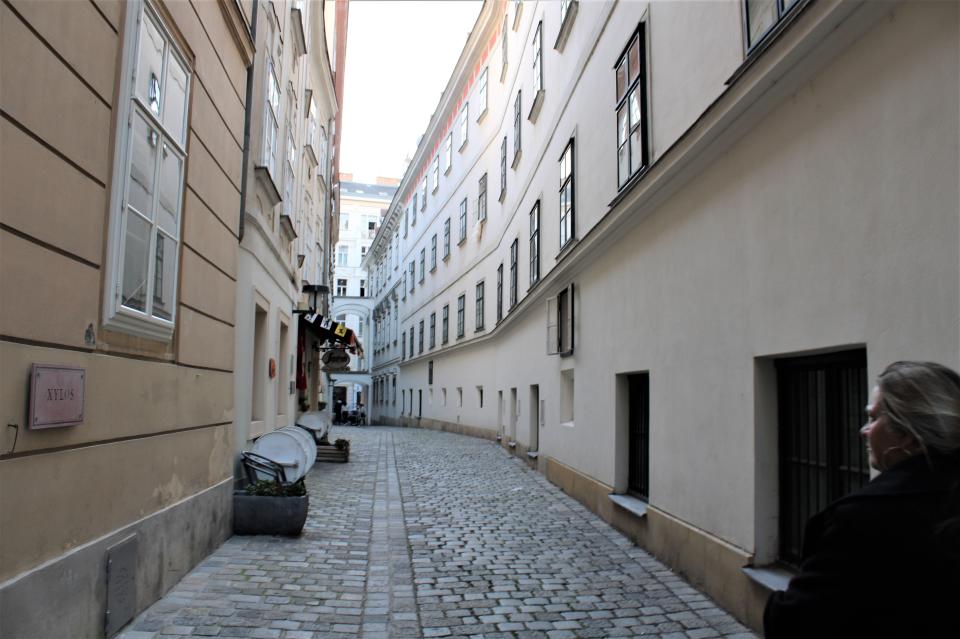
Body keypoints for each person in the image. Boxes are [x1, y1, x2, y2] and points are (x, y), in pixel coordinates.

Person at [764, 361, 960, 638]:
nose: (863, 430)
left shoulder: (862, 519)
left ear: (906, 434)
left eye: (873, 417)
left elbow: (794, 623)